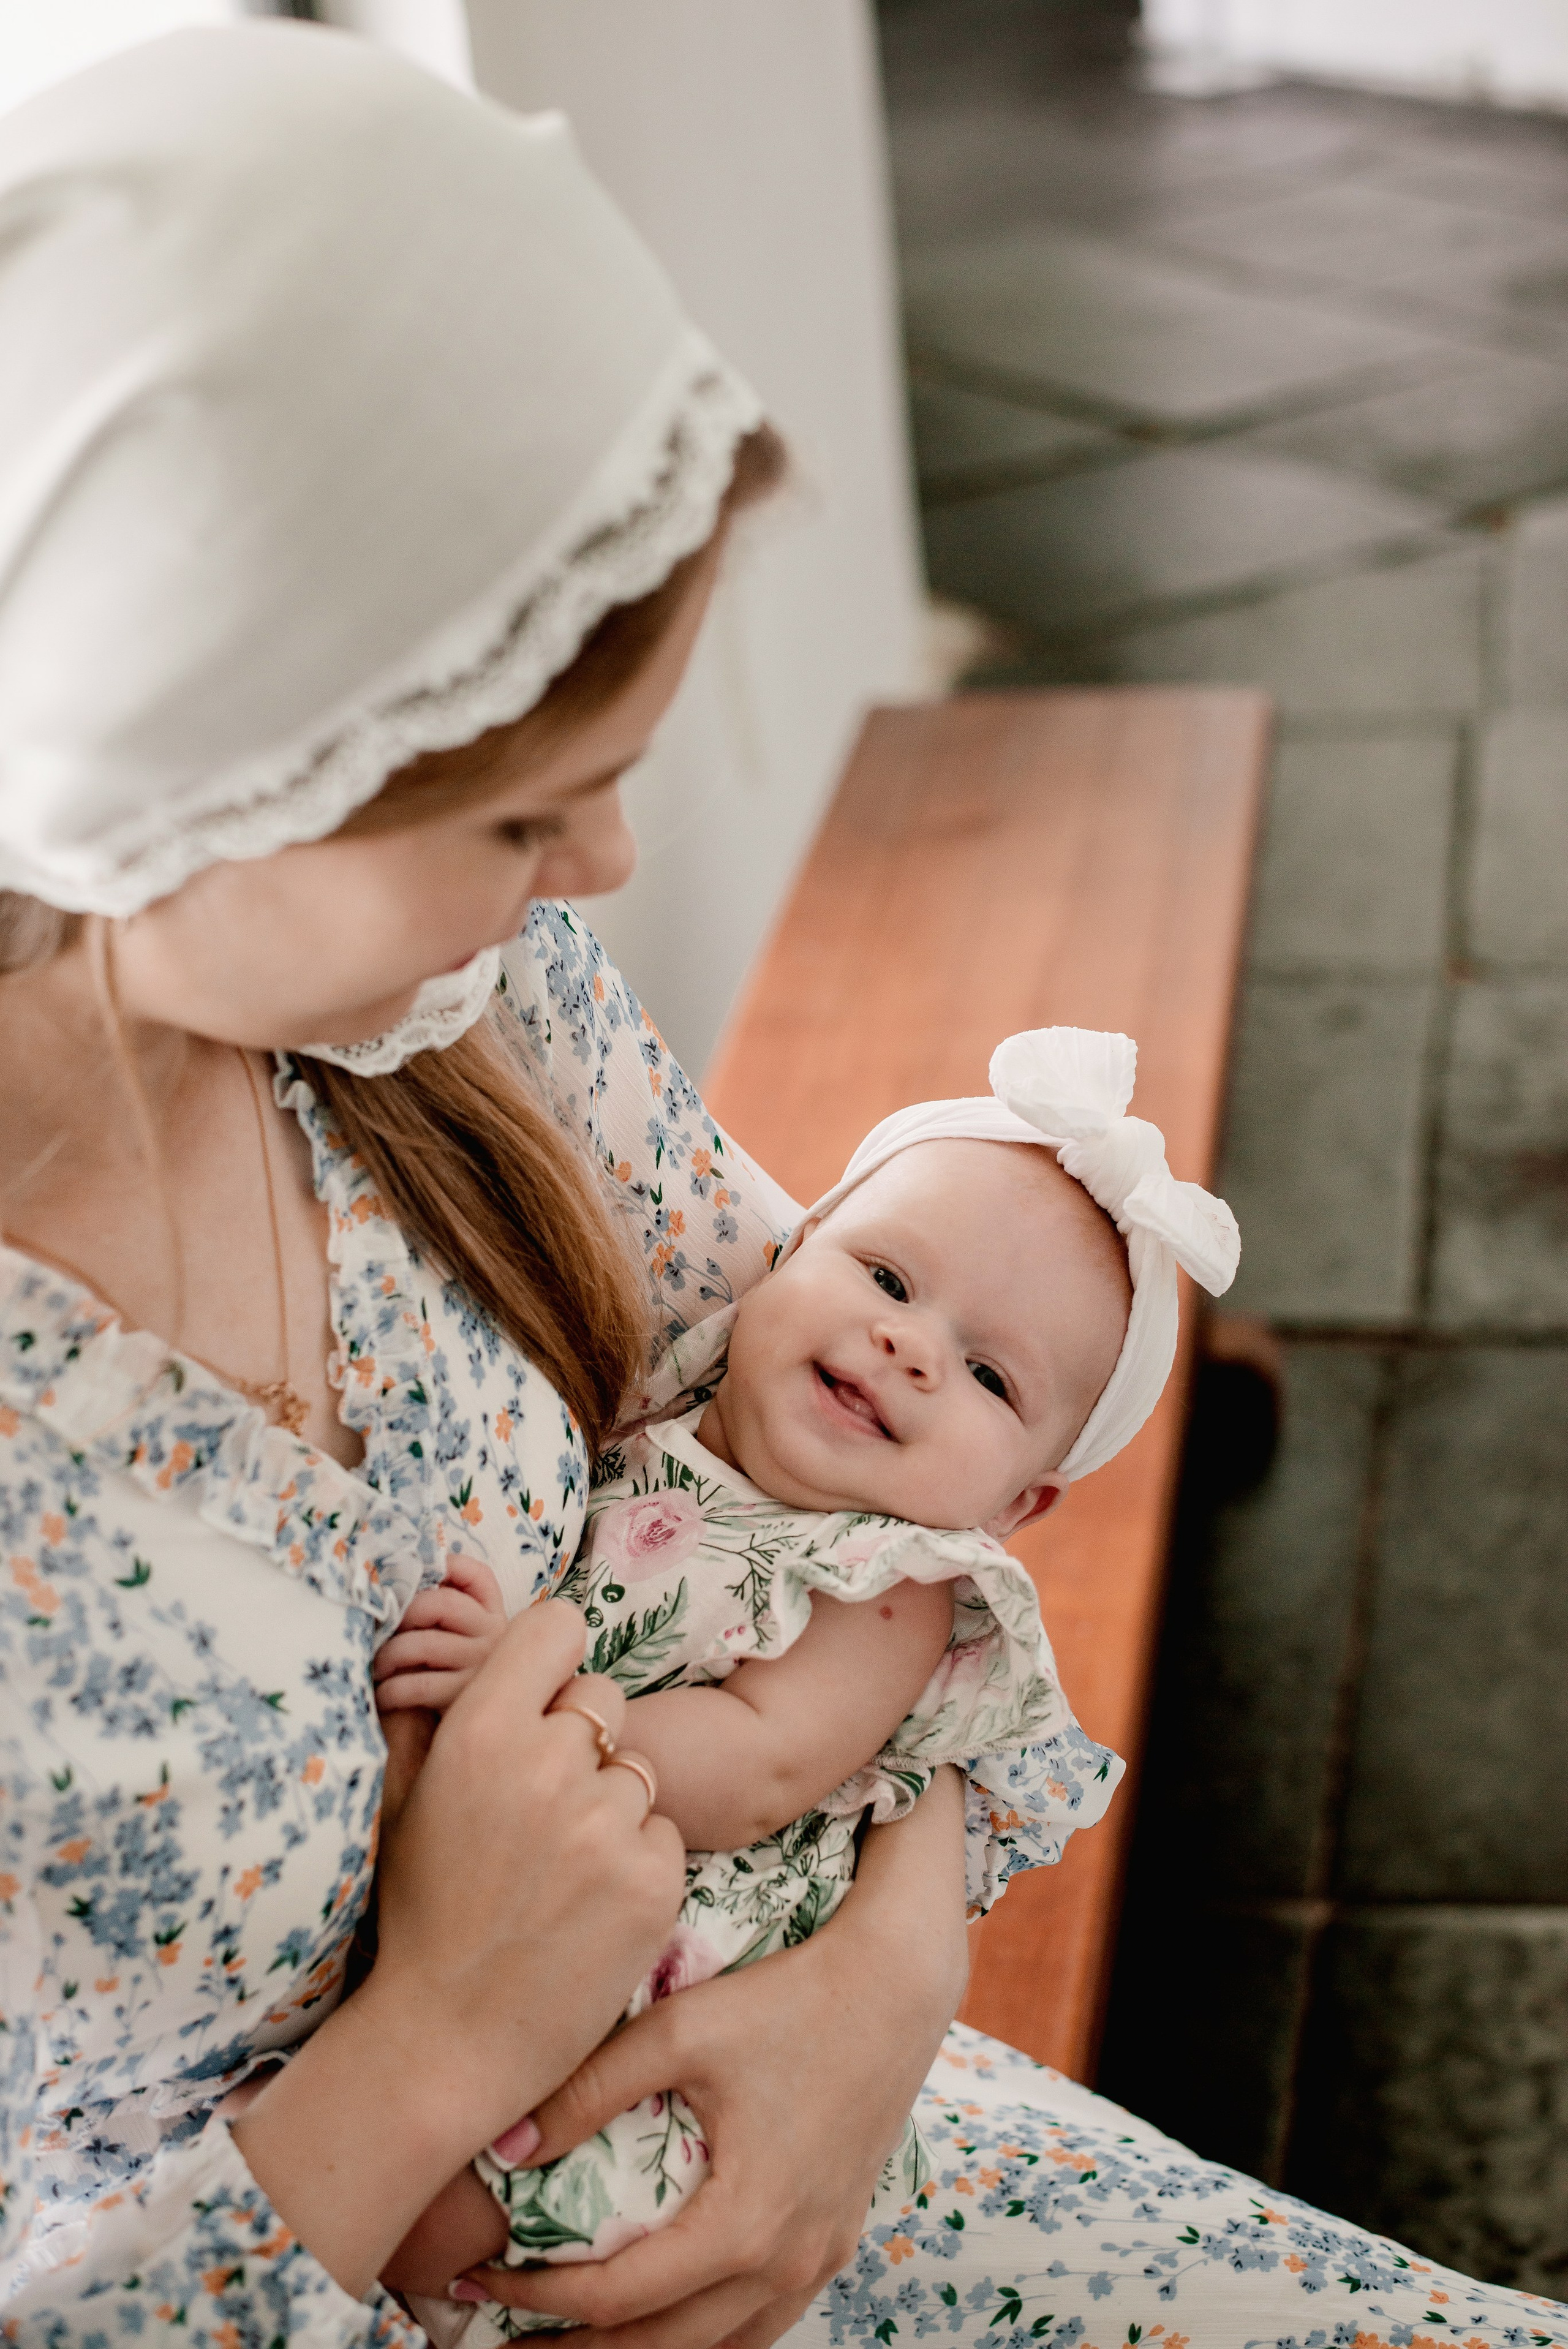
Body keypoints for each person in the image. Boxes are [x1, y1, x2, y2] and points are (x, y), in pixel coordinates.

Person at [1, 25, 1564, 2349]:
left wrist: (885, 1984)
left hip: (821, 2090)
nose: (601, 868)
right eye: (525, 811)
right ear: (196, 758)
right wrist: (443, 2021)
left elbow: (895, 1497)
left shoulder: (441, 1011)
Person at [369, 1026, 1241, 2340]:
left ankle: (497, 2275)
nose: (909, 1348)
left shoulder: (890, 1578)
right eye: (885, 1275)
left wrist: (543, 1707)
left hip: (689, 1950)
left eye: (990, 1374)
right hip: (544, 1874)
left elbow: (767, 1753)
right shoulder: (673, 1397)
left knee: (432, 2217)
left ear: (1016, 1504)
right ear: (783, 1253)